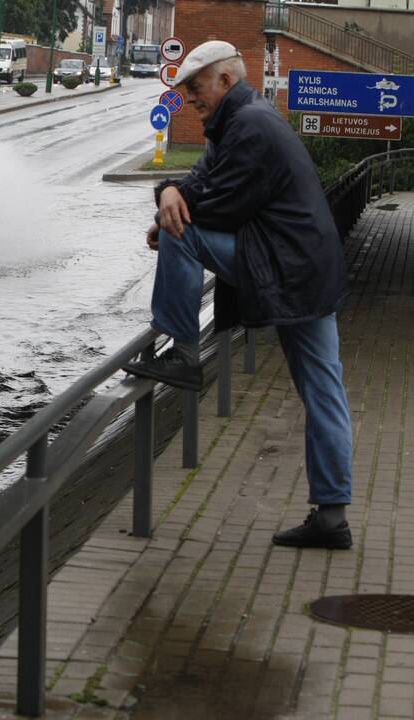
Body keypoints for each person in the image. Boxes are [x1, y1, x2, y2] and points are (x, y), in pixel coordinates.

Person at [122, 40, 354, 550]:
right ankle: (332, 516)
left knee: (180, 233)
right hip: (304, 270)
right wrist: (168, 192)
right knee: (323, 392)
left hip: (288, 268)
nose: (189, 98)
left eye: (196, 87)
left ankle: (183, 355)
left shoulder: (248, 125)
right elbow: (201, 184)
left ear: (225, 80)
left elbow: (221, 205)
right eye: (183, 89)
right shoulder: (243, 119)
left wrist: (170, 213)